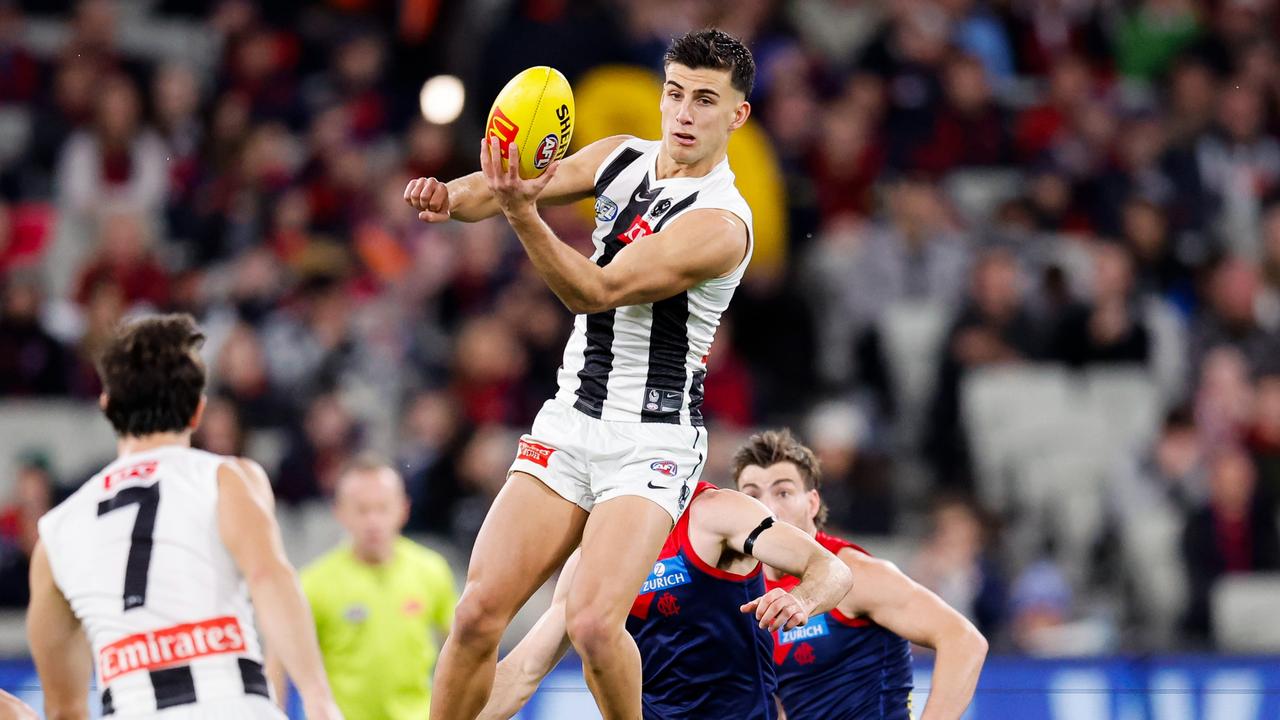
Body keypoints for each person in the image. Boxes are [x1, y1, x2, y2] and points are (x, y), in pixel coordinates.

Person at [404, 28, 757, 719]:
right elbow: (521, 180)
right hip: (571, 420)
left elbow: (593, 291)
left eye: (705, 100)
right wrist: (451, 198)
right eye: (675, 93)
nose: (684, 113)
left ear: (736, 116)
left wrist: (517, 213)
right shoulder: (620, 158)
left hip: (651, 443)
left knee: (595, 624)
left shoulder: (722, 224)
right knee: (477, 611)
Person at [27, 314, 341, 720]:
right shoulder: (229, 479)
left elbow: (65, 707)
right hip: (232, 703)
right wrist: (318, 697)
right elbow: (270, 578)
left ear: (107, 408)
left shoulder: (57, 531)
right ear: (197, 411)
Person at [477, 480, 852, 719]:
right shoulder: (591, 556)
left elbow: (832, 570)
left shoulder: (716, 513)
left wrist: (802, 599)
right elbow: (523, 671)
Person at [735, 429, 987, 720]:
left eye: (783, 492)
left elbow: (963, 640)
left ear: (812, 503)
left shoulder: (854, 573)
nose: (767, 507)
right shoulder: (747, 592)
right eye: (752, 496)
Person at [269, 457, 458, 719]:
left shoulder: (432, 571)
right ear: (340, 513)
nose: (373, 521)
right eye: (362, 510)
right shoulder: (314, 583)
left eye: (382, 508)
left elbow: (463, 646)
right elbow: (279, 655)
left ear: (403, 509)